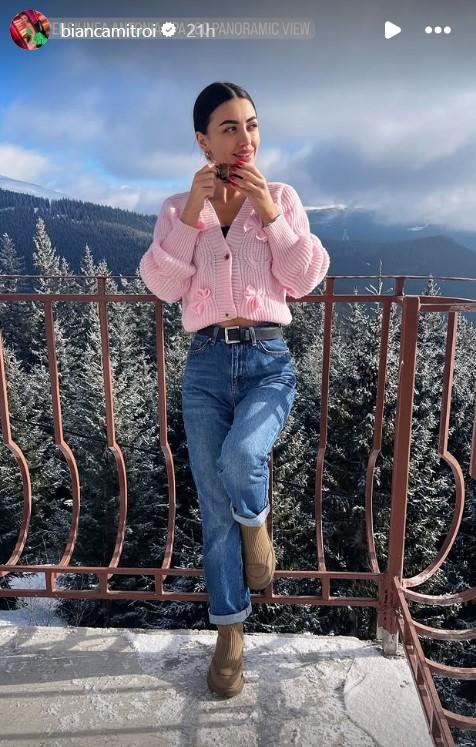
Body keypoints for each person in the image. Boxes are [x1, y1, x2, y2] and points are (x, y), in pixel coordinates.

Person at [139, 81, 330, 698]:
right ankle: (230, 634)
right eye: (229, 127)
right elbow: (163, 286)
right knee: (213, 509)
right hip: (205, 367)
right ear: (203, 140)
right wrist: (191, 215)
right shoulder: (178, 207)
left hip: (268, 360)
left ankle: (258, 525)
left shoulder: (281, 197)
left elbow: (304, 279)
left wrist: (269, 213)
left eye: (252, 124)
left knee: (243, 457)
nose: (245, 138)